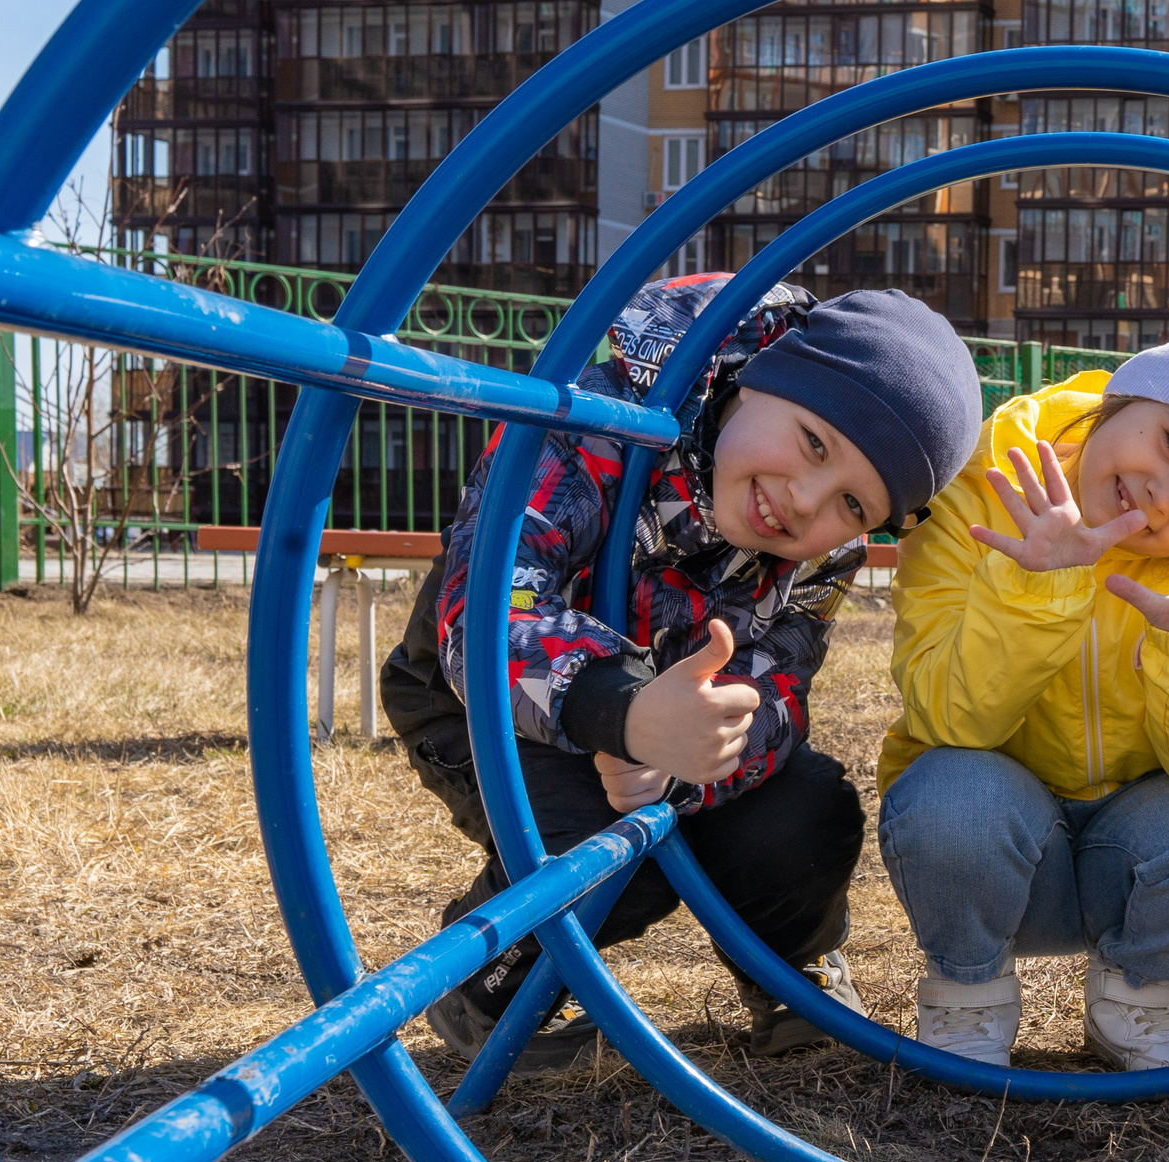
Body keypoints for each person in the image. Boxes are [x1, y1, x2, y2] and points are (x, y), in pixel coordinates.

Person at [379, 274, 983, 1072]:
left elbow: (781, 685)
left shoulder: (819, 553)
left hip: (673, 726)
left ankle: (788, 973)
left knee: (807, 814)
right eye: (812, 442)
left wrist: (709, 748)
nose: (805, 503)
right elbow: (488, 609)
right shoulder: (597, 423)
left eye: (852, 505)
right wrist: (623, 711)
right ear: (764, 375)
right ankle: (489, 984)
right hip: (484, 695)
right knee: (606, 854)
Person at [880, 303, 1169, 1070]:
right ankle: (967, 992)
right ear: (1123, 397)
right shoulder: (984, 483)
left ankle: (1140, 995)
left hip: (1129, 863)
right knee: (950, 790)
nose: (1166, 495)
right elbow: (948, 718)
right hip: (995, 845)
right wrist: (1038, 587)